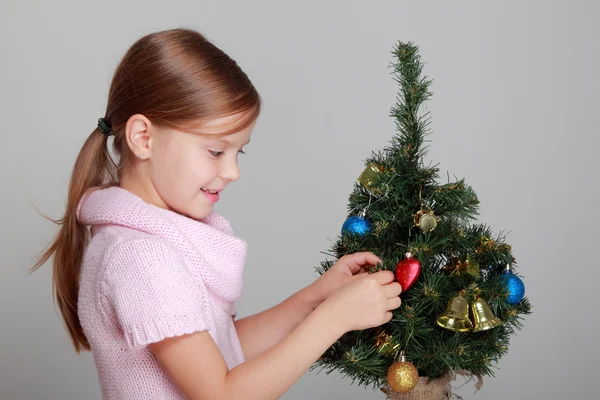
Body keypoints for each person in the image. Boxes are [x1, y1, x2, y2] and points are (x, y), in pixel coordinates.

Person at [33, 28, 402, 400]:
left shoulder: (154, 240)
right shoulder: (140, 256)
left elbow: (218, 351)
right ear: (143, 138)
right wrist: (334, 318)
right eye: (215, 151)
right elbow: (220, 393)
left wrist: (314, 299)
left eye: (238, 152)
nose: (232, 172)